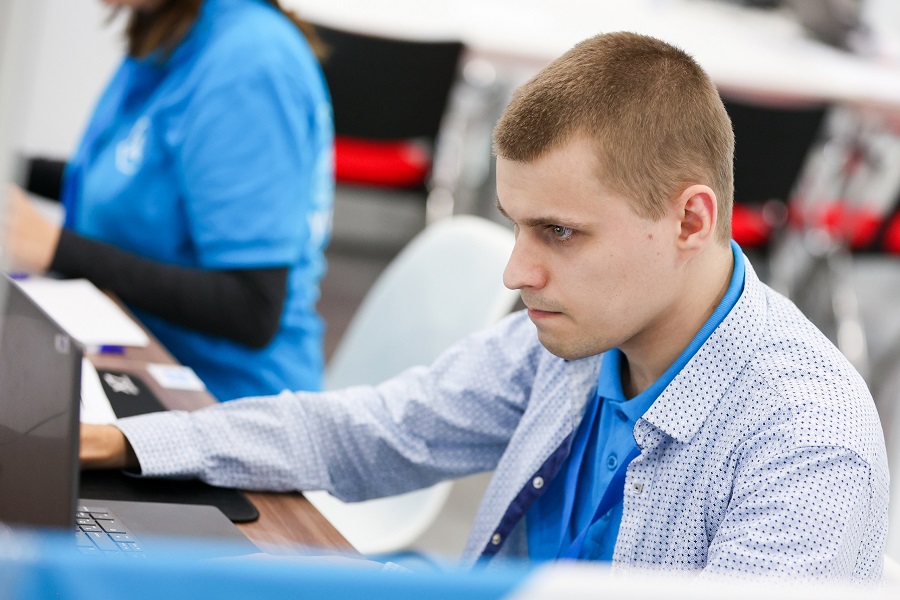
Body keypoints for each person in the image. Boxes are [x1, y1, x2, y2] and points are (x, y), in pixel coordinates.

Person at [81, 32, 889, 581]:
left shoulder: (805, 443)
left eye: (559, 232)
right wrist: (127, 442)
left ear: (690, 221)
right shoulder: (578, 339)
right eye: (517, 226)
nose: (518, 271)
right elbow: (376, 430)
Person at [7, 0, 334, 401]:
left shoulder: (251, 61)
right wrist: (13, 169)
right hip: (142, 356)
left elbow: (253, 308)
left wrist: (56, 248)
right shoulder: (173, 30)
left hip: (225, 399)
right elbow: (129, 187)